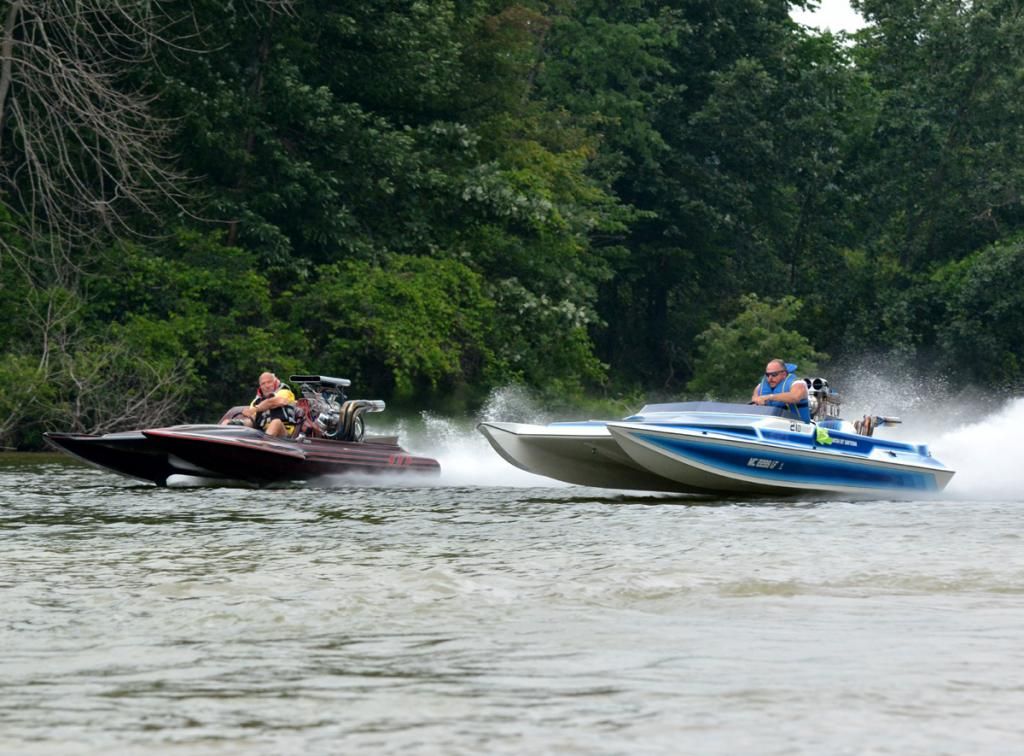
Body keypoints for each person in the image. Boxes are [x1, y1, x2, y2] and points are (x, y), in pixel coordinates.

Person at [222, 372, 297, 437]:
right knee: (229, 422)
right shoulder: (256, 401)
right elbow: (252, 418)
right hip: (261, 432)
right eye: (263, 384)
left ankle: (264, 448)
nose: (267, 386)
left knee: (275, 422)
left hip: (284, 434)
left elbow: (274, 402)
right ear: (260, 386)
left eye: (269, 382)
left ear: (275, 383)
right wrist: (239, 421)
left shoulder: (284, 392)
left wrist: (255, 409)